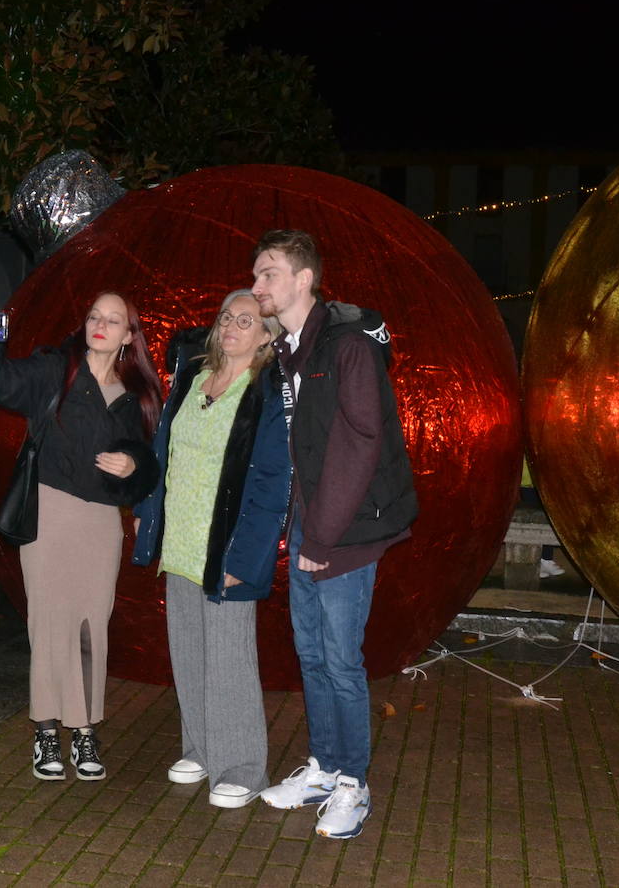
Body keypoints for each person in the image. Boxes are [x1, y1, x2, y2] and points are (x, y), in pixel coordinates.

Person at [0, 294, 161, 782]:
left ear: (129, 335)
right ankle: (45, 730)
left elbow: (150, 461)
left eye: (113, 320)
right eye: (94, 316)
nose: (101, 324)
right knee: (49, 623)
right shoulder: (53, 371)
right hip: (51, 513)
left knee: (89, 626)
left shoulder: (138, 391)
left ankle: (83, 731)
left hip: (102, 523)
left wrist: (135, 464)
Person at [250, 229, 417, 839]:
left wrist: (319, 538)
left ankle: (354, 782)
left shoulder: (345, 346)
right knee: (313, 654)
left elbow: (359, 442)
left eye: (268, 273)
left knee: (343, 661)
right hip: (311, 530)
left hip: (345, 532)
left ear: (304, 279)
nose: (256, 285)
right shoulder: (294, 349)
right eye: (256, 274)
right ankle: (324, 766)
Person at [131, 290, 291, 809]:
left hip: (226, 544)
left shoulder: (266, 390)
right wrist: (148, 511)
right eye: (227, 316)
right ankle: (200, 747)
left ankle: (242, 766)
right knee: (190, 653)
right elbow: (165, 453)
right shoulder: (194, 377)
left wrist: (245, 559)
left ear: (267, 335)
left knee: (229, 659)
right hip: (181, 540)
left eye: (247, 320)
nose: (232, 327)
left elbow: (272, 481)